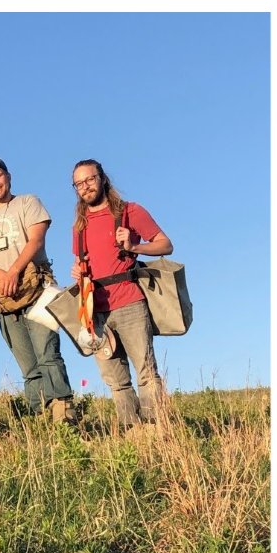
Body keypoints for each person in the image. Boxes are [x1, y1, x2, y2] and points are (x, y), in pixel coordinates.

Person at [68, 159, 173, 435]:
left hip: (129, 302)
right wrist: (78, 272)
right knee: (115, 379)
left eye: (89, 180)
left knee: (146, 373)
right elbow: (84, 264)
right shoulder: (78, 227)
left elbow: (166, 244)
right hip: (96, 313)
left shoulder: (130, 212)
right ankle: (132, 433)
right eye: (78, 184)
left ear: (102, 179)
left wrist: (135, 245)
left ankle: (155, 430)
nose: (85, 187)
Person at [0, 157, 75, 424]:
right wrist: (2, 276)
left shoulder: (28, 202)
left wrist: (14, 270)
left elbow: (37, 239)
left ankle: (63, 412)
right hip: (5, 297)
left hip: (37, 288)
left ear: (8, 176)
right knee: (27, 363)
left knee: (47, 352)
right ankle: (39, 416)